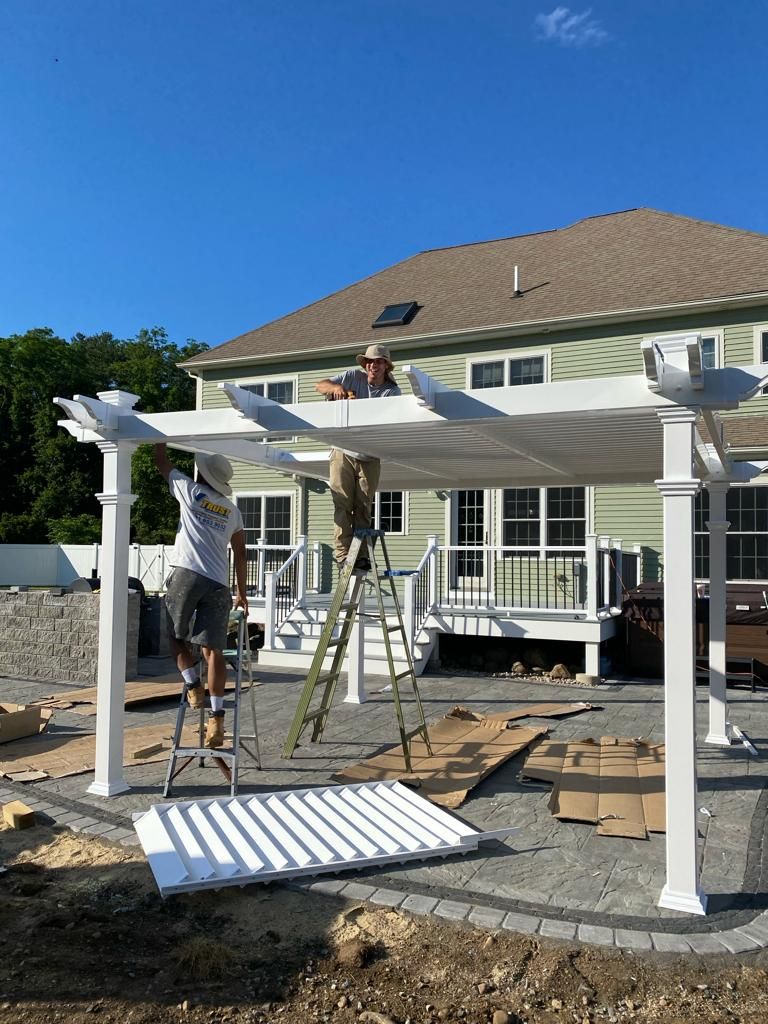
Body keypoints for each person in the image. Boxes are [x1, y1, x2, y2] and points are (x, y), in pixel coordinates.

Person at [154, 444, 248, 749]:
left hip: (187, 574)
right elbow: (241, 553)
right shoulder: (232, 512)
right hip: (218, 583)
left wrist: (160, 438)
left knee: (174, 634)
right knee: (213, 652)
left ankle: (193, 685)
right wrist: (242, 593)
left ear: (202, 474)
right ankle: (217, 720)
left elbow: (161, 462)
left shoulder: (190, 490)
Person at [315, 344, 401, 570]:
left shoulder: (392, 391)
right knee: (342, 503)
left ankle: (361, 555)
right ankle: (343, 555)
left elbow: (386, 420)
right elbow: (320, 385)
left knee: (363, 505)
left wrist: (360, 407)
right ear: (365, 364)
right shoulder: (353, 377)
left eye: (379, 361)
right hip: (343, 449)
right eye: (370, 361)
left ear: (386, 366)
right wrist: (336, 389)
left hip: (370, 454)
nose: (374, 365)